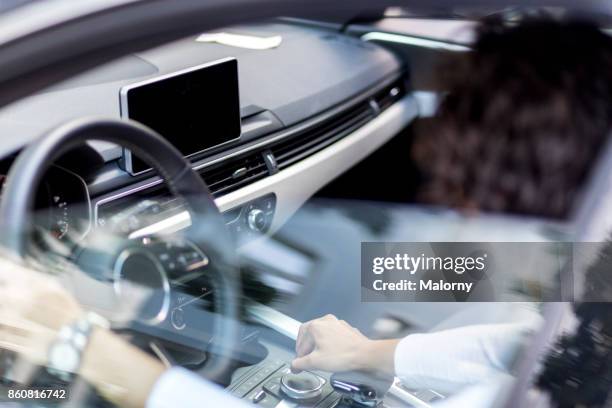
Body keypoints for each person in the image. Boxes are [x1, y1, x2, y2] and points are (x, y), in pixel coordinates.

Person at [2, 16, 612, 408]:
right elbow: (542, 344)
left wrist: (78, 343)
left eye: (470, 210)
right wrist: (374, 356)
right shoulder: (591, 304)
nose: (464, 222)